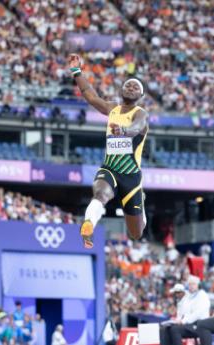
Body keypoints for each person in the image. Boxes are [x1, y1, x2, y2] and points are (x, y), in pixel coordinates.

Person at [68, 53, 149, 248]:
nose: (131, 87)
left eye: (135, 87)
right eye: (128, 84)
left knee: (136, 233)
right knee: (101, 194)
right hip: (110, 168)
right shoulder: (112, 108)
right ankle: (88, 224)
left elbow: (137, 128)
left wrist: (123, 130)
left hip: (131, 177)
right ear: (121, 90)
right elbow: (89, 94)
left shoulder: (140, 113)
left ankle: (142, 203)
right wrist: (76, 71)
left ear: (141, 95)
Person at [160, 276, 211, 345]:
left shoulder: (202, 295)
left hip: (200, 325)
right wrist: (176, 321)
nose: (191, 286)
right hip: (190, 324)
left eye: (193, 284)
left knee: (175, 329)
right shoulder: (189, 297)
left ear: (198, 285)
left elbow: (197, 314)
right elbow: (184, 312)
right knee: (165, 329)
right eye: (189, 284)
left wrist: (183, 321)